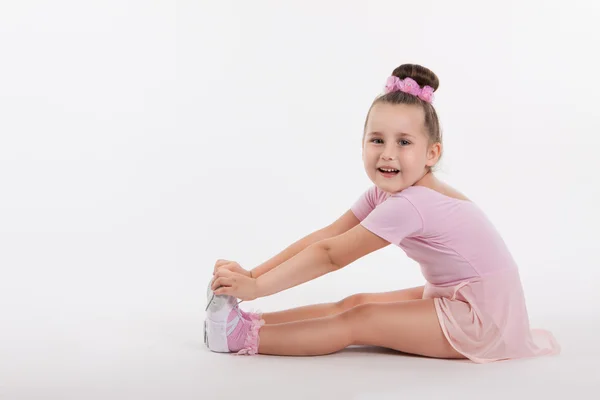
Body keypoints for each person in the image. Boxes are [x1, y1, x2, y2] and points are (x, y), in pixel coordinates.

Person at [203, 63, 561, 363]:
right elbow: (326, 236)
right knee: (356, 302)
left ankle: (240, 338)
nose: (388, 154)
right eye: (377, 140)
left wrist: (257, 286)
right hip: (459, 296)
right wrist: (251, 277)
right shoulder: (385, 193)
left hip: (484, 319)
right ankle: (249, 322)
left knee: (361, 319)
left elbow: (331, 256)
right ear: (362, 146)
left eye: (404, 142)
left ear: (431, 153)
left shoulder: (411, 203)